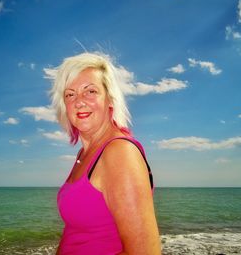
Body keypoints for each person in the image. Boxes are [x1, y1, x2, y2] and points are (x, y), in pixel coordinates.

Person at [46, 52, 161, 255]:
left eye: (90, 91)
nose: (79, 101)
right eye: (70, 94)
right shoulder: (84, 153)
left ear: (110, 99)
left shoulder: (119, 152)